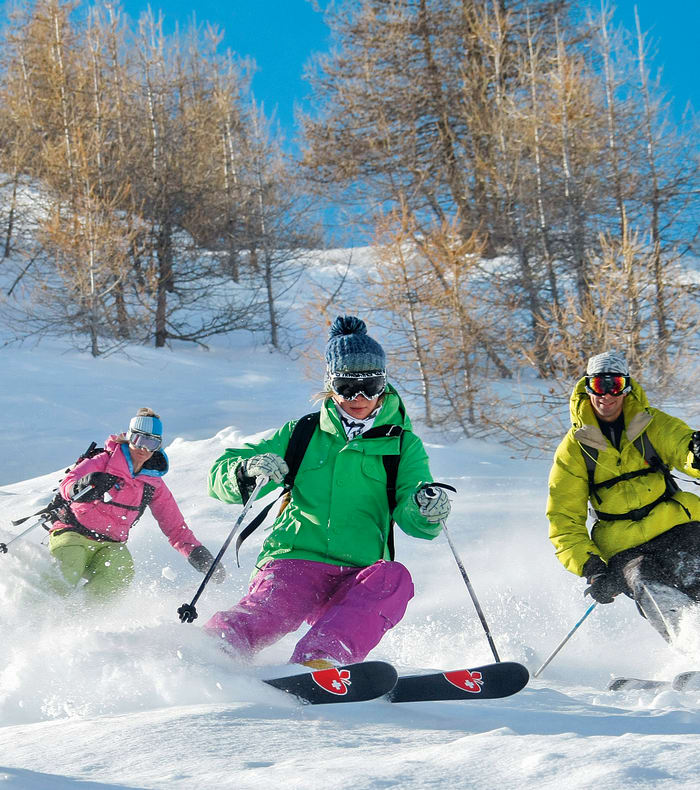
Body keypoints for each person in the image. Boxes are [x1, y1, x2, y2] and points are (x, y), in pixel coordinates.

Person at [204, 315, 450, 668]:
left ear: (384, 383)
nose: (359, 397)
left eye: (371, 385)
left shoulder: (402, 445)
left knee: (394, 579)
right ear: (331, 385)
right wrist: (246, 469)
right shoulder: (302, 432)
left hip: (359, 570)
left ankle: (321, 660)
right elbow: (218, 474)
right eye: (348, 386)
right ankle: (214, 649)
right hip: (296, 557)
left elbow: (413, 514)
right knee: (272, 610)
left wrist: (425, 509)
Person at [547, 351, 700, 643]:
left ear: (626, 386)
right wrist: (592, 568)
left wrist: (696, 455)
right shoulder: (573, 449)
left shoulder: (652, 423)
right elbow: (563, 517)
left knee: (695, 570)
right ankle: (693, 647)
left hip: (677, 525)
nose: (606, 395)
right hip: (625, 548)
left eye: (614, 384)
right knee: (646, 582)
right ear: (587, 387)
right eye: (598, 385)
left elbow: (683, 447)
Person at [48, 407, 225, 599]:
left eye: (151, 442)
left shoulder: (153, 483)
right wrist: (82, 486)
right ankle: (44, 609)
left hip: (110, 544)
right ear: (129, 437)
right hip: (73, 532)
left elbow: (174, 526)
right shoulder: (104, 462)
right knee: (71, 562)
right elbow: (68, 483)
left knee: (120, 571)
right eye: (139, 440)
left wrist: (198, 554)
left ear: (158, 445)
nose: (143, 449)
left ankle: (83, 618)